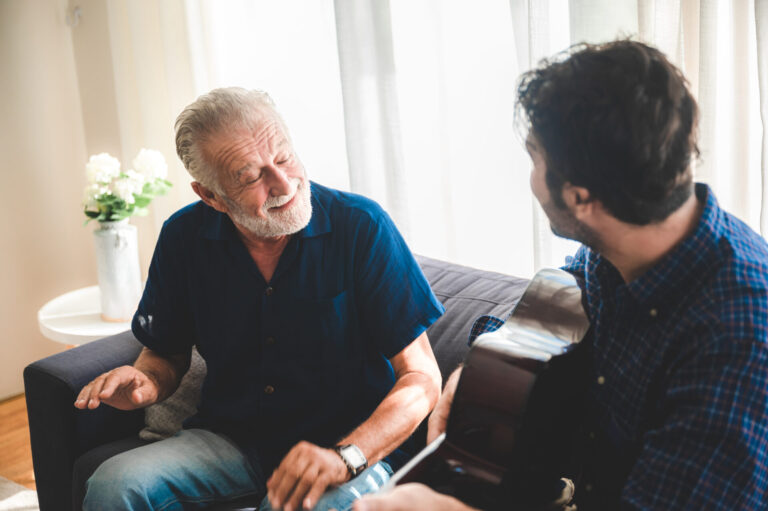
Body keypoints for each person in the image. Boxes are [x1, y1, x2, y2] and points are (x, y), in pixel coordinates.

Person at [356, 40, 768, 510]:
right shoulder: (621, 239)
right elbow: (558, 297)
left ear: (579, 198)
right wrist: (482, 374)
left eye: (535, 158)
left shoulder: (738, 342)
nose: (531, 177)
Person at [74, 87, 445, 511]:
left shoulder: (362, 226)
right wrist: (148, 382)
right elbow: (166, 354)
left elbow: (422, 378)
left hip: (346, 448)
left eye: (284, 158)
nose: (284, 184)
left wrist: (348, 456)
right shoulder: (183, 238)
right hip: (232, 439)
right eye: (251, 178)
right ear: (210, 196)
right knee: (113, 485)